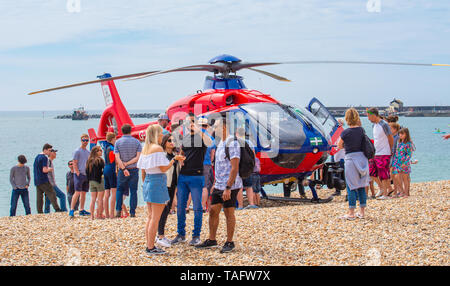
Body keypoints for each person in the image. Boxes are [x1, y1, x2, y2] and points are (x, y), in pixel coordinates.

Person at [196, 117, 241, 253]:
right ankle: (212, 239)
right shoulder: (221, 142)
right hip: (219, 184)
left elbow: (234, 167)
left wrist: (228, 187)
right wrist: (215, 183)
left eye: (216, 127)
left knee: (229, 212)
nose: (214, 129)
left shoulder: (232, 143)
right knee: (213, 211)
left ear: (224, 127)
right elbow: (220, 166)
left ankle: (229, 242)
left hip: (230, 186)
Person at [137, 125, 185, 255]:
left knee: (150, 216)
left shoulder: (145, 148)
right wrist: (174, 160)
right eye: (160, 134)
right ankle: (151, 247)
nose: (161, 137)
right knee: (155, 218)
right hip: (157, 182)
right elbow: (163, 168)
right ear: (156, 135)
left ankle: (149, 245)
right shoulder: (157, 148)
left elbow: (142, 169)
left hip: (148, 181)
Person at [171, 113, 213, 246]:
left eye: (192, 122)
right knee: (181, 207)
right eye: (188, 123)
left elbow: (210, 142)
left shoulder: (203, 137)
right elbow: (183, 152)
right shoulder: (186, 138)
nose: (190, 125)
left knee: (197, 207)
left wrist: (199, 129)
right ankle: (181, 234)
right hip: (183, 175)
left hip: (197, 175)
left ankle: (196, 235)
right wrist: (180, 158)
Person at [338, 108, 370, 220]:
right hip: (362, 158)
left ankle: (351, 213)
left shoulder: (345, 132)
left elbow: (339, 146)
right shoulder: (361, 130)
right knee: (361, 185)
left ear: (347, 118)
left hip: (351, 159)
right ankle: (362, 212)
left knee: (351, 186)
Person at [155, 134, 181, 247]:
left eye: (173, 140)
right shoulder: (162, 155)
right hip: (164, 185)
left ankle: (161, 235)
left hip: (172, 185)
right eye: (169, 140)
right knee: (163, 210)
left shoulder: (175, 154)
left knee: (167, 209)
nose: (172, 142)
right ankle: (160, 235)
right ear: (165, 142)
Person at [115, 124, 142, 218]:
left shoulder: (117, 142)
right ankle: (132, 212)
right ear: (131, 131)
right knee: (134, 191)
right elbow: (138, 157)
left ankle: (118, 210)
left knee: (119, 190)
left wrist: (123, 167)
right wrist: (128, 164)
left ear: (122, 131)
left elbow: (117, 158)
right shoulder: (137, 142)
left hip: (122, 170)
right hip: (134, 169)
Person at [367, 108, 394, 200]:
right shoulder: (374, 125)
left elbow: (390, 137)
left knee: (384, 173)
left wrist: (390, 150)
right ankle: (385, 189)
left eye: (369, 116)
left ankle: (386, 194)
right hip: (376, 152)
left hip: (384, 152)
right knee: (374, 172)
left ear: (374, 115)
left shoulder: (384, 124)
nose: (368, 118)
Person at [34, 144, 61, 214]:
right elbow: (44, 170)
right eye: (49, 150)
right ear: (45, 150)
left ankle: (39, 211)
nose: (50, 152)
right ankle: (57, 209)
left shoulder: (37, 157)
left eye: (51, 150)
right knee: (52, 193)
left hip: (37, 180)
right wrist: (49, 169)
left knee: (39, 197)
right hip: (44, 179)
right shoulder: (44, 158)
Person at [69, 134, 91, 217]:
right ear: (81, 140)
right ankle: (72, 209)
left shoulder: (88, 152)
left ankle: (81, 209)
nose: (85, 142)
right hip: (79, 174)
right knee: (77, 192)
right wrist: (77, 172)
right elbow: (74, 162)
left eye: (86, 140)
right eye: (84, 140)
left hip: (86, 174)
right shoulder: (77, 151)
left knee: (84, 193)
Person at [392, 128, 415, 198]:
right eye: (399, 134)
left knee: (405, 178)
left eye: (402, 134)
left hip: (404, 163)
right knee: (396, 176)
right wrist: (394, 162)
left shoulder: (408, 144)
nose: (400, 135)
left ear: (406, 134)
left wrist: (406, 162)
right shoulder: (400, 143)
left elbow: (409, 154)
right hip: (397, 162)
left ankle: (406, 193)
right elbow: (397, 153)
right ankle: (401, 191)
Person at [199, 117, 215, 212]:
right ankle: (203, 206)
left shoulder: (195, 136)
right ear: (206, 126)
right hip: (207, 163)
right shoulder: (211, 138)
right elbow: (212, 155)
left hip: (195, 164)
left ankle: (191, 206)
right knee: (205, 186)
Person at [44, 149, 67, 213]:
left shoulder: (50, 161)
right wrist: (52, 183)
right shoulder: (48, 161)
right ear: (50, 153)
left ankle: (46, 211)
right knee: (62, 196)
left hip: (50, 184)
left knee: (49, 198)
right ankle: (63, 210)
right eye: (54, 152)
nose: (55, 154)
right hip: (50, 184)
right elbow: (46, 173)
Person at [86, 146, 105, 219]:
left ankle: (92, 216)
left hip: (91, 181)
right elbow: (104, 170)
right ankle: (99, 215)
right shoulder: (100, 160)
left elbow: (87, 172)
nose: (101, 151)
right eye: (99, 150)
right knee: (100, 199)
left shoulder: (89, 161)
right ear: (96, 152)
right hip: (99, 181)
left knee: (93, 199)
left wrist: (88, 181)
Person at [103, 132, 118, 218]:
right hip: (111, 169)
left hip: (106, 169)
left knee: (107, 193)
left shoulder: (105, 147)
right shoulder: (112, 148)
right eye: (115, 139)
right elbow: (115, 160)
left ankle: (107, 214)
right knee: (113, 192)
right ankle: (112, 214)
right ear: (112, 139)